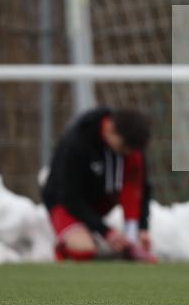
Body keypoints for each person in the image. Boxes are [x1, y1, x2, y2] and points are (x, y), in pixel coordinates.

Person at [42, 106, 156, 262]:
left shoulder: (130, 145)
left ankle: (107, 246)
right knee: (84, 250)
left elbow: (138, 188)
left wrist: (140, 229)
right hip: (63, 202)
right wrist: (106, 231)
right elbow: (69, 197)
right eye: (124, 147)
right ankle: (65, 246)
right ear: (110, 129)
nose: (127, 153)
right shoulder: (76, 142)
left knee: (125, 248)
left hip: (95, 208)